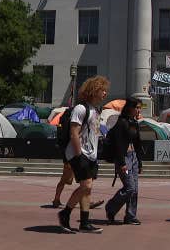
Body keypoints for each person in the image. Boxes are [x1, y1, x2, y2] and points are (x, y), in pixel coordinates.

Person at [57, 75, 109, 233]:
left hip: (91, 155)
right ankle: (65, 213)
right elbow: (74, 133)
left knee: (87, 188)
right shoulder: (81, 109)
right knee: (86, 185)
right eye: (103, 90)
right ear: (94, 90)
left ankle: (84, 222)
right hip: (79, 154)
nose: (105, 93)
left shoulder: (96, 110)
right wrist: (79, 155)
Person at [105, 97, 145, 225]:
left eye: (140, 108)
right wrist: (121, 163)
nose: (139, 110)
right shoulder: (121, 123)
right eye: (137, 108)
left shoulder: (134, 123)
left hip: (133, 158)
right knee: (129, 187)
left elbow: (138, 144)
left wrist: (140, 162)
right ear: (130, 108)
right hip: (124, 158)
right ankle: (111, 208)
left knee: (135, 189)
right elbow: (118, 144)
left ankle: (130, 215)